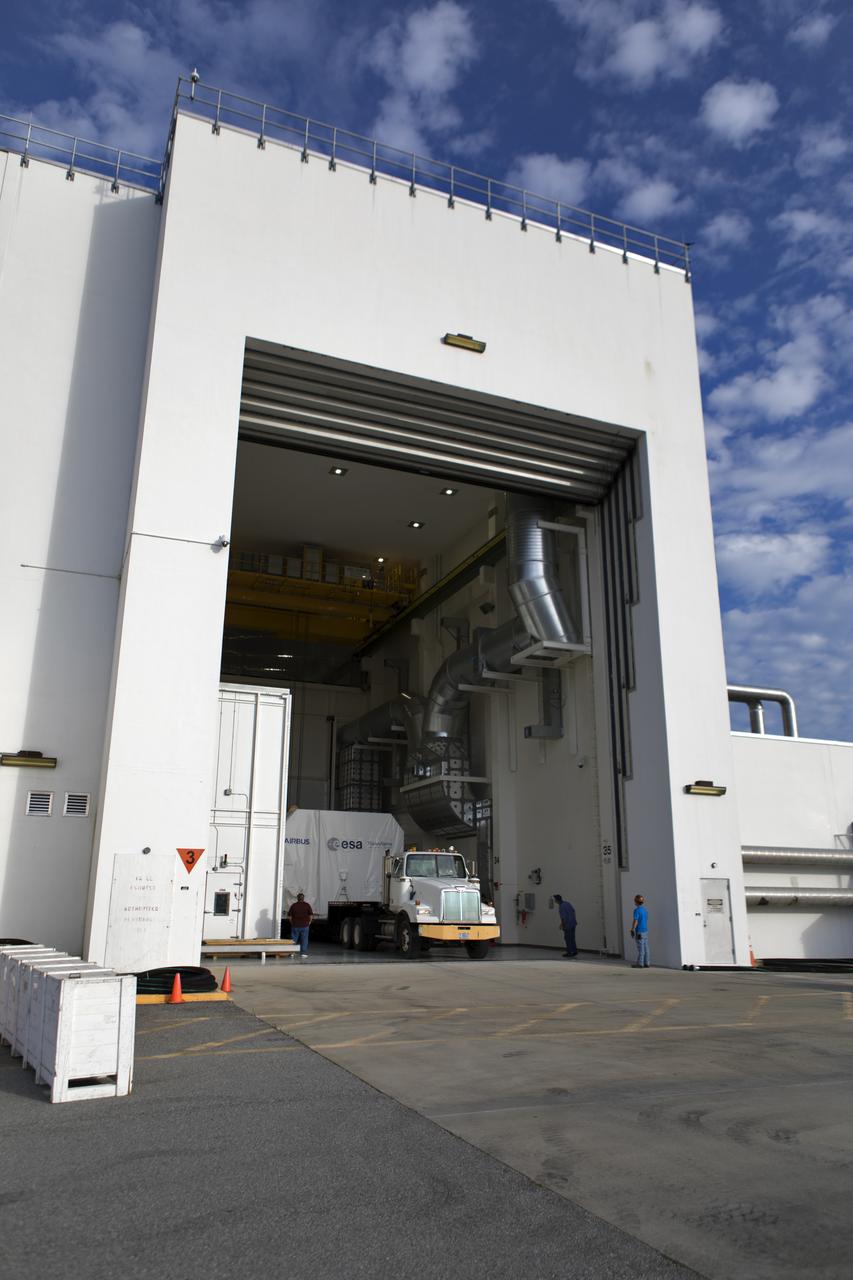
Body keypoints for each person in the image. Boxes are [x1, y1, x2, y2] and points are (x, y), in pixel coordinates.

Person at [288, 892, 313, 960]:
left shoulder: (293, 905)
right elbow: (310, 915)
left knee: (294, 940)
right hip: (305, 926)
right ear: (303, 898)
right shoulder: (307, 905)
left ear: (297, 898)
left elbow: (289, 916)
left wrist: (292, 923)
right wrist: (309, 922)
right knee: (304, 940)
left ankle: (292, 953)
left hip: (295, 925)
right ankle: (303, 953)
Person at [630, 894, 649, 967]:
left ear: (636, 902)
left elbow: (636, 920)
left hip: (639, 931)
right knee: (646, 948)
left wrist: (633, 928)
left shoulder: (636, 910)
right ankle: (647, 963)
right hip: (645, 931)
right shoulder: (645, 910)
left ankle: (640, 964)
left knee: (641, 949)